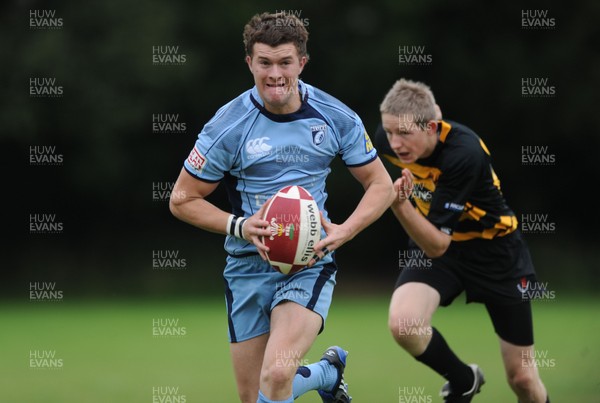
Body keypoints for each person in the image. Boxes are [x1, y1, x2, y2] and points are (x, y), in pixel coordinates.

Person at [169, 11, 394, 403]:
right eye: (265, 63)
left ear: (302, 63)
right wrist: (241, 226)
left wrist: (345, 230)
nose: (275, 74)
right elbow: (182, 199)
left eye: (285, 62)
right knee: (254, 397)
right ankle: (326, 373)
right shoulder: (228, 126)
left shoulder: (335, 116)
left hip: (309, 264)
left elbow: (380, 184)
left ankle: (319, 372)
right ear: (249, 64)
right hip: (245, 268)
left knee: (276, 374)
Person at [374, 78, 550, 403]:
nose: (394, 143)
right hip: (440, 247)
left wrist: (399, 203)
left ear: (431, 126)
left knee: (523, 378)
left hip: (495, 251)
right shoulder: (385, 142)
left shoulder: (463, 153)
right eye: (390, 131)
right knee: (404, 324)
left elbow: (436, 243)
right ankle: (463, 379)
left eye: (404, 133)